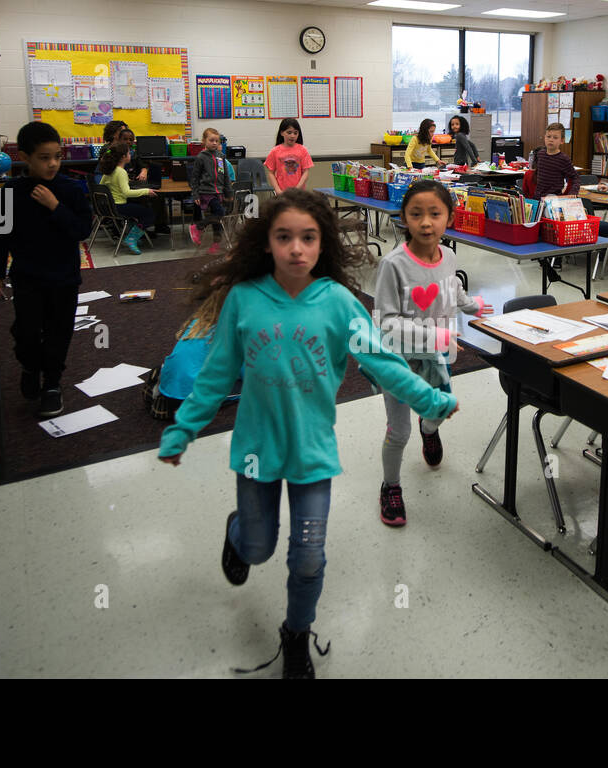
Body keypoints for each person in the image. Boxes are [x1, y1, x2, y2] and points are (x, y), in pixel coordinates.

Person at [157, 189, 459, 678]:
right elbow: (215, 375)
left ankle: (296, 634)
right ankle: (239, 535)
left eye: (308, 238)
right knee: (259, 548)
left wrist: (430, 400)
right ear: (268, 242)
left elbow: (383, 363)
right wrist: (183, 429)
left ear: (323, 245)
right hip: (256, 452)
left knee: (309, 558)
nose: (296, 248)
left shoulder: (339, 303)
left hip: (314, 455)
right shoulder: (245, 299)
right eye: (284, 237)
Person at [373, 180, 491, 526]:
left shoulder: (449, 256)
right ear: (404, 219)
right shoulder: (393, 265)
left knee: (436, 414)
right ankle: (390, 486)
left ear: (450, 218)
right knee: (399, 432)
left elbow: (450, 287)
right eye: (416, 214)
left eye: (435, 214)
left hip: (438, 362)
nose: (426, 223)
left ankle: (430, 430)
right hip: (398, 362)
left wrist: (471, 306)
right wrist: (435, 337)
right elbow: (386, 324)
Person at [0, 121, 93, 418]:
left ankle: (52, 384)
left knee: (59, 332)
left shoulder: (70, 189)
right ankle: (30, 366)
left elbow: (82, 230)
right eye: (44, 157)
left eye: (57, 156)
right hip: (28, 277)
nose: (52, 164)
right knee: (27, 332)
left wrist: (55, 206)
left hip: (64, 277)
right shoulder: (10, 192)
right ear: (25, 157)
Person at [98, 141, 157, 255]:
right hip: (120, 206)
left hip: (109, 206)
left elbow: (101, 187)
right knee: (149, 214)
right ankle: (132, 238)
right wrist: (146, 191)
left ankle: (131, 233)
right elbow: (127, 193)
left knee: (138, 210)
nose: (131, 155)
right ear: (123, 157)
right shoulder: (121, 172)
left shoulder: (109, 170)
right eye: (129, 153)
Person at [189, 127, 233, 256]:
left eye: (217, 141)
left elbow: (225, 176)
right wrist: (195, 194)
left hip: (218, 192)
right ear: (204, 141)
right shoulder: (201, 157)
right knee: (219, 212)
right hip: (205, 192)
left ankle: (215, 244)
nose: (214, 143)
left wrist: (228, 193)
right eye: (211, 140)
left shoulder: (221, 157)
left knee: (217, 219)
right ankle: (198, 227)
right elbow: (195, 178)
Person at [529, 122, 579, 199]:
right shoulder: (540, 154)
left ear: (562, 141)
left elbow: (575, 177)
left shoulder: (563, 159)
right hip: (538, 197)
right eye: (548, 136)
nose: (551, 140)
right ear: (544, 137)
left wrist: (573, 192)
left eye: (555, 138)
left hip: (554, 199)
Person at [264, 118, 314, 193]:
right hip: (281, 192)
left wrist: (297, 189)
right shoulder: (275, 151)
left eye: (295, 133)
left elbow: (306, 172)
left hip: (298, 192)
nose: (292, 136)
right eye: (289, 132)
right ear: (282, 133)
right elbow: (271, 173)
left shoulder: (302, 150)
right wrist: (278, 190)